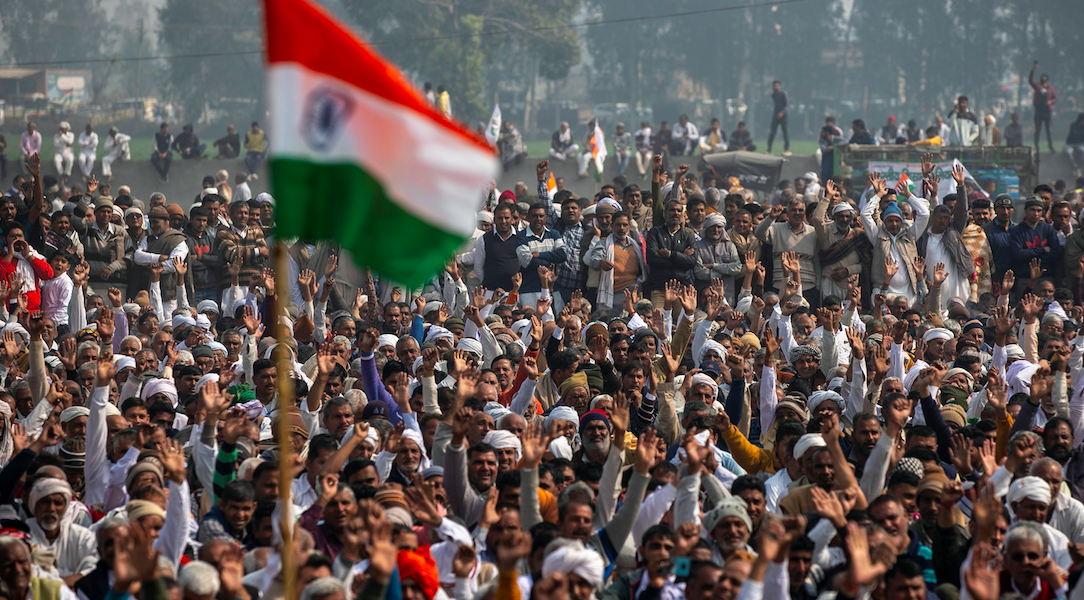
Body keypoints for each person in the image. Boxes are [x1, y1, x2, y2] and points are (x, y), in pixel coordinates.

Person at [1029, 61, 1057, 152]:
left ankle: (1051, 146)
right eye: (1041, 78)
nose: (1042, 79)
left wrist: (1050, 102)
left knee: (1048, 130)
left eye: (1044, 78)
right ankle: (1036, 146)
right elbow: (1030, 80)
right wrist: (1033, 69)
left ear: (1047, 79)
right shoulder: (1037, 86)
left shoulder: (1050, 88)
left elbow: (1055, 98)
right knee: (1037, 130)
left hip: (1047, 112)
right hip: (1038, 111)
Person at [767, 80, 790, 155]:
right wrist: (776, 113)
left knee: (785, 132)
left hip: (783, 115)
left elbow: (786, 105)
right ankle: (769, 150)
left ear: (779, 86)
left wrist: (782, 112)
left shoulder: (783, 94)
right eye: (774, 86)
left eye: (777, 85)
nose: (775, 87)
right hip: (776, 115)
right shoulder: (773, 95)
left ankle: (787, 149)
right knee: (772, 132)